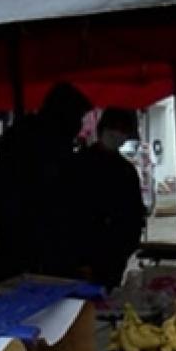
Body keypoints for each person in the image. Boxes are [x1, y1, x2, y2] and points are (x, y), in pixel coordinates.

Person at [0, 83, 93, 281]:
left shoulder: (38, 137)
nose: (79, 125)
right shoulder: (40, 142)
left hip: (35, 243)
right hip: (32, 246)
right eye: (78, 116)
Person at [60, 107, 147, 288]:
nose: (118, 135)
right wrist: (79, 258)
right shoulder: (79, 165)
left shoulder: (127, 171)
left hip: (115, 255)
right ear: (102, 129)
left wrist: (128, 248)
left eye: (123, 130)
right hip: (83, 253)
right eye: (114, 128)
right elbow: (70, 213)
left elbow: (134, 213)